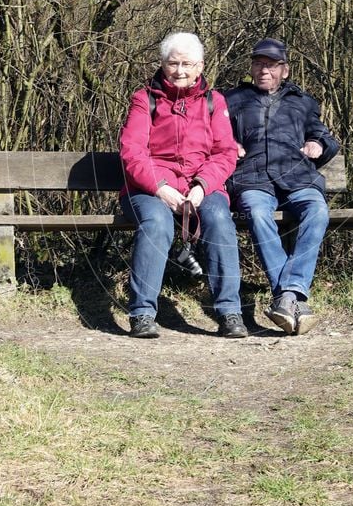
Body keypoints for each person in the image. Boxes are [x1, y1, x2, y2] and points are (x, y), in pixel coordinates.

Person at [119, 32, 247, 339]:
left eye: (187, 64)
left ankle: (230, 312)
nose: (180, 70)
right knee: (157, 223)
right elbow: (132, 152)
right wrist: (161, 188)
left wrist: (202, 187)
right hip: (149, 189)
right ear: (162, 65)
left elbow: (225, 152)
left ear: (200, 66)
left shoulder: (215, 102)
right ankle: (142, 314)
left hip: (203, 186)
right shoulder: (143, 100)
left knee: (219, 219)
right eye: (173, 63)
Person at [225, 38, 339, 335]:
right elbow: (213, 135)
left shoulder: (302, 102)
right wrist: (229, 145)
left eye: (271, 65)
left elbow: (324, 136)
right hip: (253, 178)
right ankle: (293, 296)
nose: (264, 71)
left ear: (284, 71)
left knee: (317, 210)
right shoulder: (232, 100)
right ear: (251, 68)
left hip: (297, 178)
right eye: (259, 64)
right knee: (258, 214)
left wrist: (317, 144)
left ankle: (285, 295)